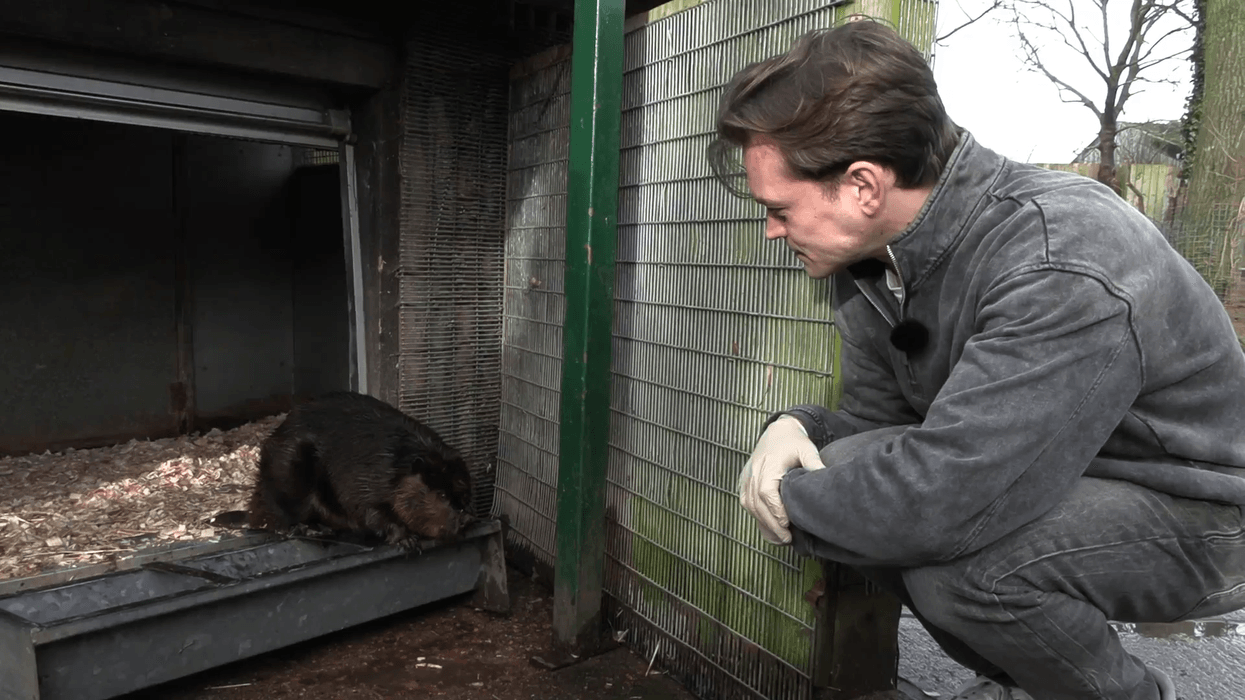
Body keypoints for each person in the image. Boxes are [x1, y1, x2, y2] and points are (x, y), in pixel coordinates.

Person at [711, 17, 1245, 700]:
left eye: (779, 207)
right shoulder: (872, 264)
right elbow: (879, 427)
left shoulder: (1062, 257)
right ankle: (1028, 682)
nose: (771, 229)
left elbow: (942, 503)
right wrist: (797, 429)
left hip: (1204, 512)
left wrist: (779, 496)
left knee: (962, 567)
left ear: (863, 185)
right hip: (1062, 478)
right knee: (850, 480)